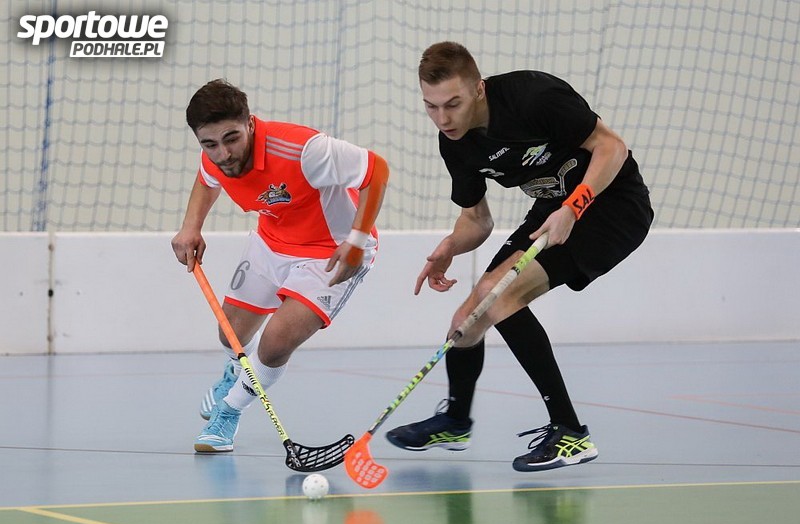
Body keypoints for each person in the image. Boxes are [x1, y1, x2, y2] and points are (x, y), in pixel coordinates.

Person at [385, 42, 653, 471]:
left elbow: (613, 148)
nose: (443, 119)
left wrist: (574, 208)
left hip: (613, 208)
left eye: (452, 104)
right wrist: (450, 246)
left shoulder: (533, 96)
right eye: (431, 107)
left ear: (478, 89)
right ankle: (455, 422)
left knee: (499, 294)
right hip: (554, 209)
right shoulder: (455, 143)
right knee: (467, 320)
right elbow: (477, 220)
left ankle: (571, 433)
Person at [171, 79, 389, 452]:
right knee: (230, 334)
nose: (223, 153)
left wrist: (355, 240)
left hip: (330, 251)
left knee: (275, 344)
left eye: (232, 139)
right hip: (271, 243)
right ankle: (237, 371)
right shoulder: (214, 155)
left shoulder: (304, 150)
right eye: (210, 144)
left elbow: (377, 170)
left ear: (250, 123)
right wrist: (191, 227)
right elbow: (208, 180)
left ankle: (229, 412)